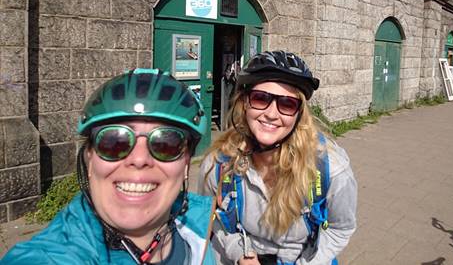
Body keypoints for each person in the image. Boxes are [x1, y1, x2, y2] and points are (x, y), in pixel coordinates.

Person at [1, 69, 216, 265]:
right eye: (115, 141)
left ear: (186, 163)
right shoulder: (53, 256)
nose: (139, 159)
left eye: (166, 143)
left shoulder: (202, 229)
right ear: (90, 159)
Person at [197, 51, 357, 265]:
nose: (272, 114)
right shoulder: (219, 163)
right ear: (244, 103)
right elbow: (212, 216)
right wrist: (239, 252)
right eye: (260, 98)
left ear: (299, 114)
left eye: (287, 104)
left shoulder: (331, 167)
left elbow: (340, 228)